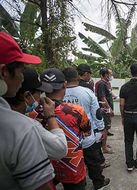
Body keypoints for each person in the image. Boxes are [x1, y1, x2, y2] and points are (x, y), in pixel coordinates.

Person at [0, 32, 55, 190]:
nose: (22, 78)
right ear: (4, 72)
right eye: (21, 70)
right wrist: (50, 116)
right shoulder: (20, 128)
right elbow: (59, 149)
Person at [40, 68, 91, 189]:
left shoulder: (32, 113)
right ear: (65, 84)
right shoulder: (76, 111)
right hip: (72, 166)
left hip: (46, 166)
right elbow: (87, 131)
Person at [62, 67, 110, 189]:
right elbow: (97, 113)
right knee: (93, 162)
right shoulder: (87, 92)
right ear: (77, 77)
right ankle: (98, 183)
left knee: (72, 164)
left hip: (67, 138)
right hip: (87, 136)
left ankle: (78, 184)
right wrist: (101, 129)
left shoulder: (59, 93)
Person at [5, 67, 68, 160]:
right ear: (27, 96)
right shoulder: (28, 126)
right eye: (40, 92)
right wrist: (50, 116)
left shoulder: (6, 116)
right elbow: (60, 149)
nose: (41, 97)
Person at [95, 68, 114, 154]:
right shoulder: (101, 84)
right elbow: (103, 98)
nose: (111, 76)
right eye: (110, 74)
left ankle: (104, 143)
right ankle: (104, 147)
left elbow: (108, 94)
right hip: (104, 109)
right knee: (105, 128)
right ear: (106, 75)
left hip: (106, 108)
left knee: (106, 127)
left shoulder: (107, 83)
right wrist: (109, 109)